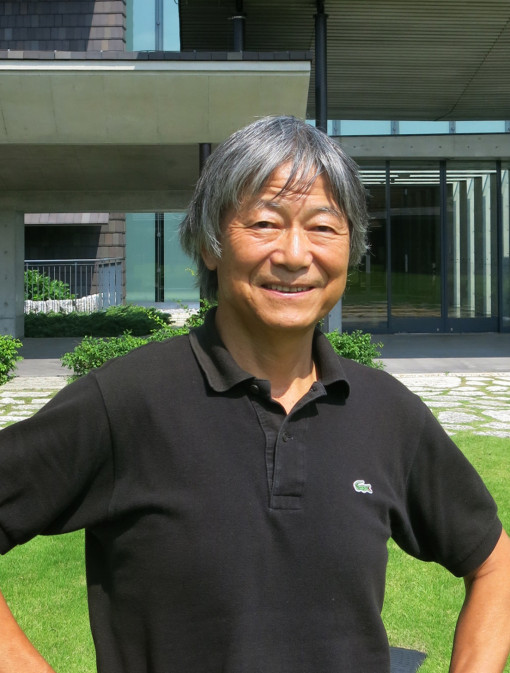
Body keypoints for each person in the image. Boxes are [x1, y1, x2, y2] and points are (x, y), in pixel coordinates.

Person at [0, 115, 509, 673]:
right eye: (265, 223)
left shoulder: (386, 413)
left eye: (323, 227)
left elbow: (495, 565)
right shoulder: (126, 402)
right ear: (210, 244)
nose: (294, 255)